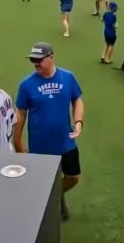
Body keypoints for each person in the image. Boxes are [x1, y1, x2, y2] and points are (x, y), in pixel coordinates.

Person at [13, 42, 85, 220]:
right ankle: (47, 206)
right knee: (40, 182)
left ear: (51, 58)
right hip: (40, 146)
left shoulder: (67, 77)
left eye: (39, 60)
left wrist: (78, 122)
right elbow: (20, 114)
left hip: (65, 142)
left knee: (73, 177)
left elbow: (77, 100)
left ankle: (55, 195)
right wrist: (18, 144)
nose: (36, 63)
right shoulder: (27, 85)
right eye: (33, 60)